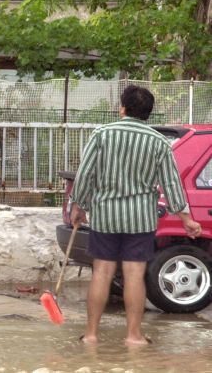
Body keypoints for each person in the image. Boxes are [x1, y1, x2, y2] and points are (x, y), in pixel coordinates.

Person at [69, 85, 202, 346]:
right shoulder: (159, 142)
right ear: (148, 113)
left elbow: (85, 175)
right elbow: (172, 184)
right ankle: (133, 336)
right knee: (133, 275)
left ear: (123, 108)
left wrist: (79, 207)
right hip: (140, 218)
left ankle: (91, 335)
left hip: (105, 215)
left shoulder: (102, 134)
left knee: (102, 273)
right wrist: (186, 218)